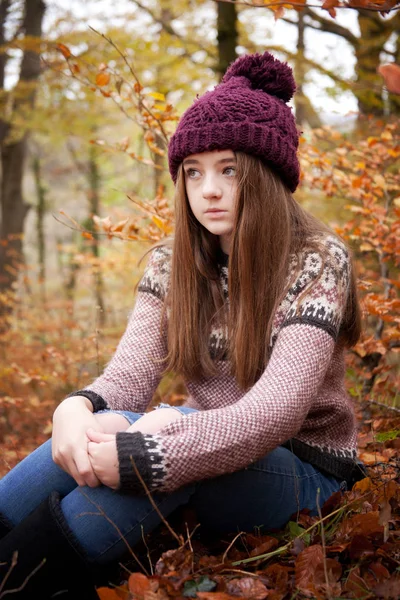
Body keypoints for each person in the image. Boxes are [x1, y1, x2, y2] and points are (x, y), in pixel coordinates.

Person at [0, 51, 366, 599]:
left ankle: (17, 582)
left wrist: (158, 447)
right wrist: (74, 410)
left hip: (303, 468)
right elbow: (126, 381)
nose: (208, 190)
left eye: (229, 170)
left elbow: (276, 411)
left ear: (267, 174)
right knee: (106, 425)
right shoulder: (170, 263)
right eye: (193, 172)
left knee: (152, 462)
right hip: (206, 439)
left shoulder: (316, 260)